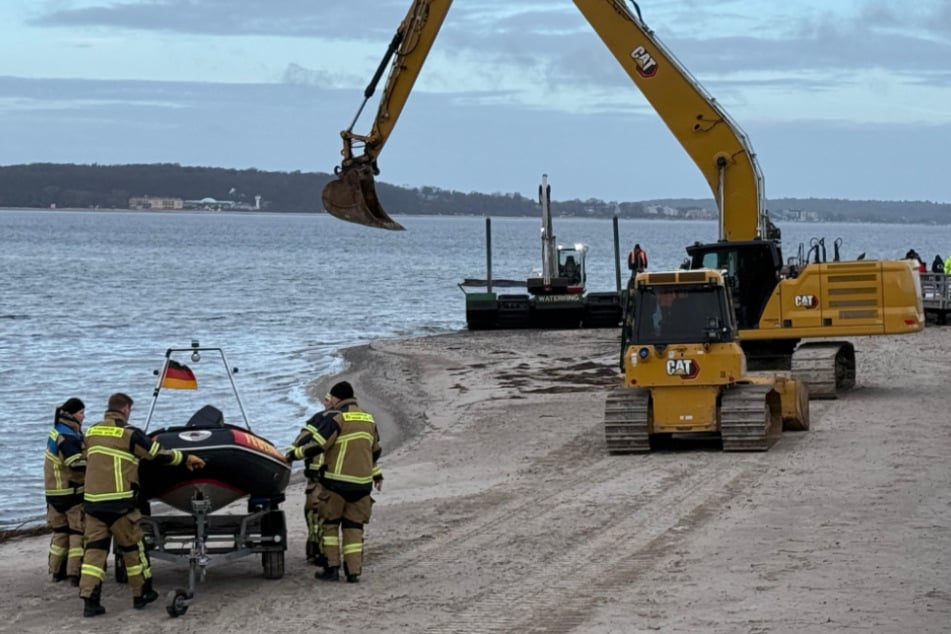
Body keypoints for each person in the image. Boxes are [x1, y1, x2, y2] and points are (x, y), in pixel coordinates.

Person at [78, 393, 205, 617]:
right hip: (120, 506)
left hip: (93, 506)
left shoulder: (91, 432)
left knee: (94, 555)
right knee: (134, 551)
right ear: (126, 409)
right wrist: (185, 459)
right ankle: (141, 595)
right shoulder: (130, 434)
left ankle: (90, 603)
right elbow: (158, 454)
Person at [286, 381, 382, 583]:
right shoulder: (369, 419)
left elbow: (317, 445)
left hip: (336, 484)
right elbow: (375, 451)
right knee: (354, 527)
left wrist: (293, 455)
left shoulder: (338, 419)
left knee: (330, 525)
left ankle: (331, 569)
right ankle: (353, 572)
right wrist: (376, 475)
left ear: (336, 399)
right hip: (362, 486)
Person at [286, 391, 340, 569]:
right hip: (335, 479)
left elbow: (301, 441)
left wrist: (290, 455)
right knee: (325, 518)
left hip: (320, 480)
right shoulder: (346, 420)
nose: (325, 403)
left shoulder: (318, 419)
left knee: (316, 517)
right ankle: (322, 553)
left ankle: (318, 553)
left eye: (327, 399)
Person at [44, 397, 87, 586]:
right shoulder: (68, 436)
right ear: (72, 415)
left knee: (60, 533)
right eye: (81, 413)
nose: (84, 417)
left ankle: (56, 571)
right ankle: (74, 574)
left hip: (53, 493)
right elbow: (74, 463)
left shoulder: (55, 433)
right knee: (77, 532)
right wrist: (96, 463)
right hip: (71, 493)